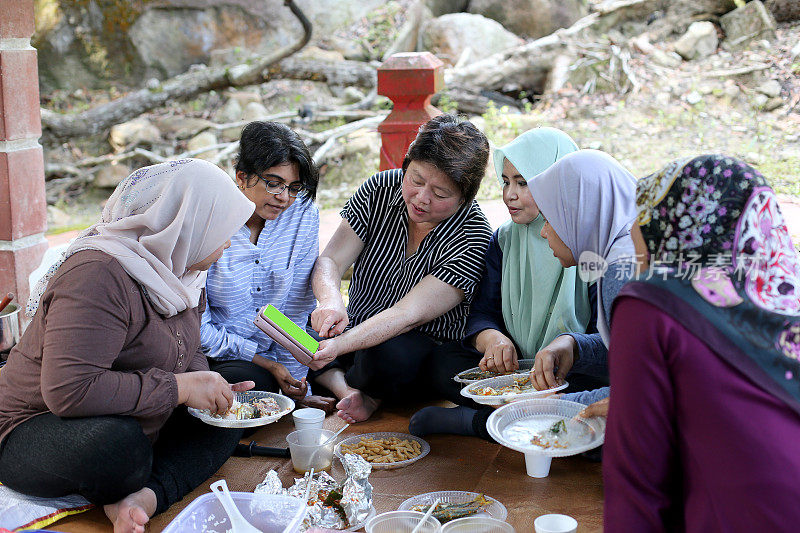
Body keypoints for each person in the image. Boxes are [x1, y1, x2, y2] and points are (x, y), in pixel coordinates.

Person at [0, 159, 256, 533]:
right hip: (35, 424)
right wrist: (180, 388)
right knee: (119, 449)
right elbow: (69, 391)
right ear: (186, 224)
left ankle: (142, 498)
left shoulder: (183, 272)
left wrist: (206, 384)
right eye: (221, 230)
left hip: (133, 413)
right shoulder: (98, 274)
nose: (229, 242)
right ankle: (128, 480)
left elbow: (189, 351)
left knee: (230, 413)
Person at [604, 155, 800, 531]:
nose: (632, 234)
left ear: (672, 223)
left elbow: (636, 486)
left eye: (642, 216)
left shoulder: (653, 305)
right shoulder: (783, 301)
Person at [410, 128, 600, 438]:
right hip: (515, 371)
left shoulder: (587, 242)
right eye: (506, 181)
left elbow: (606, 341)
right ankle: (525, 416)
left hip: (569, 371)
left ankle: (479, 423)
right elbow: (483, 310)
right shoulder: (505, 240)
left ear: (557, 184)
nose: (510, 194)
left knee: (596, 394)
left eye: (524, 183)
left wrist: (567, 350)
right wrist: (493, 340)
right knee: (443, 363)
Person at [307, 114, 492, 423]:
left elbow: (407, 316)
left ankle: (341, 380)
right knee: (296, 329)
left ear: (465, 196)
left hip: (415, 347)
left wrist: (338, 345)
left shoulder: (474, 236)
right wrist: (330, 301)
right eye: (416, 180)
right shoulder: (379, 189)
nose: (421, 198)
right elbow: (331, 260)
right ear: (406, 165)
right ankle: (350, 390)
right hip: (355, 332)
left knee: (391, 357)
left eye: (441, 193)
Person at [201, 121, 333, 411]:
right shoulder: (210, 219)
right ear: (242, 177)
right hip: (218, 352)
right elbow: (198, 328)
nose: (284, 198)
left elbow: (297, 307)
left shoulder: (302, 213)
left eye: (294, 187)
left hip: (277, 349)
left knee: (339, 348)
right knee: (246, 384)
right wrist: (266, 363)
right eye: (273, 183)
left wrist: (298, 385)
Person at [527, 149, 640, 417]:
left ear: (580, 213)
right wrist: (575, 346)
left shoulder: (621, 274)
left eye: (549, 219)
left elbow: (639, 396)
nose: (543, 232)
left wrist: (550, 410)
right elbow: (633, 351)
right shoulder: (627, 246)